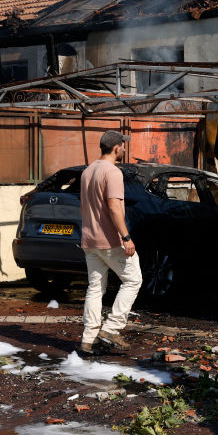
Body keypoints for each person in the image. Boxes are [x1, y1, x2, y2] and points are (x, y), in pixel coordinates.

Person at [78, 130, 142, 354]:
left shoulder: (87, 171)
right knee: (133, 280)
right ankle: (112, 328)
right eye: (123, 146)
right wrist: (126, 237)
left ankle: (88, 339)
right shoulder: (113, 172)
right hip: (110, 240)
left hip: (89, 240)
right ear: (116, 148)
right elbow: (114, 207)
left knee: (95, 288)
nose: (124, 148)